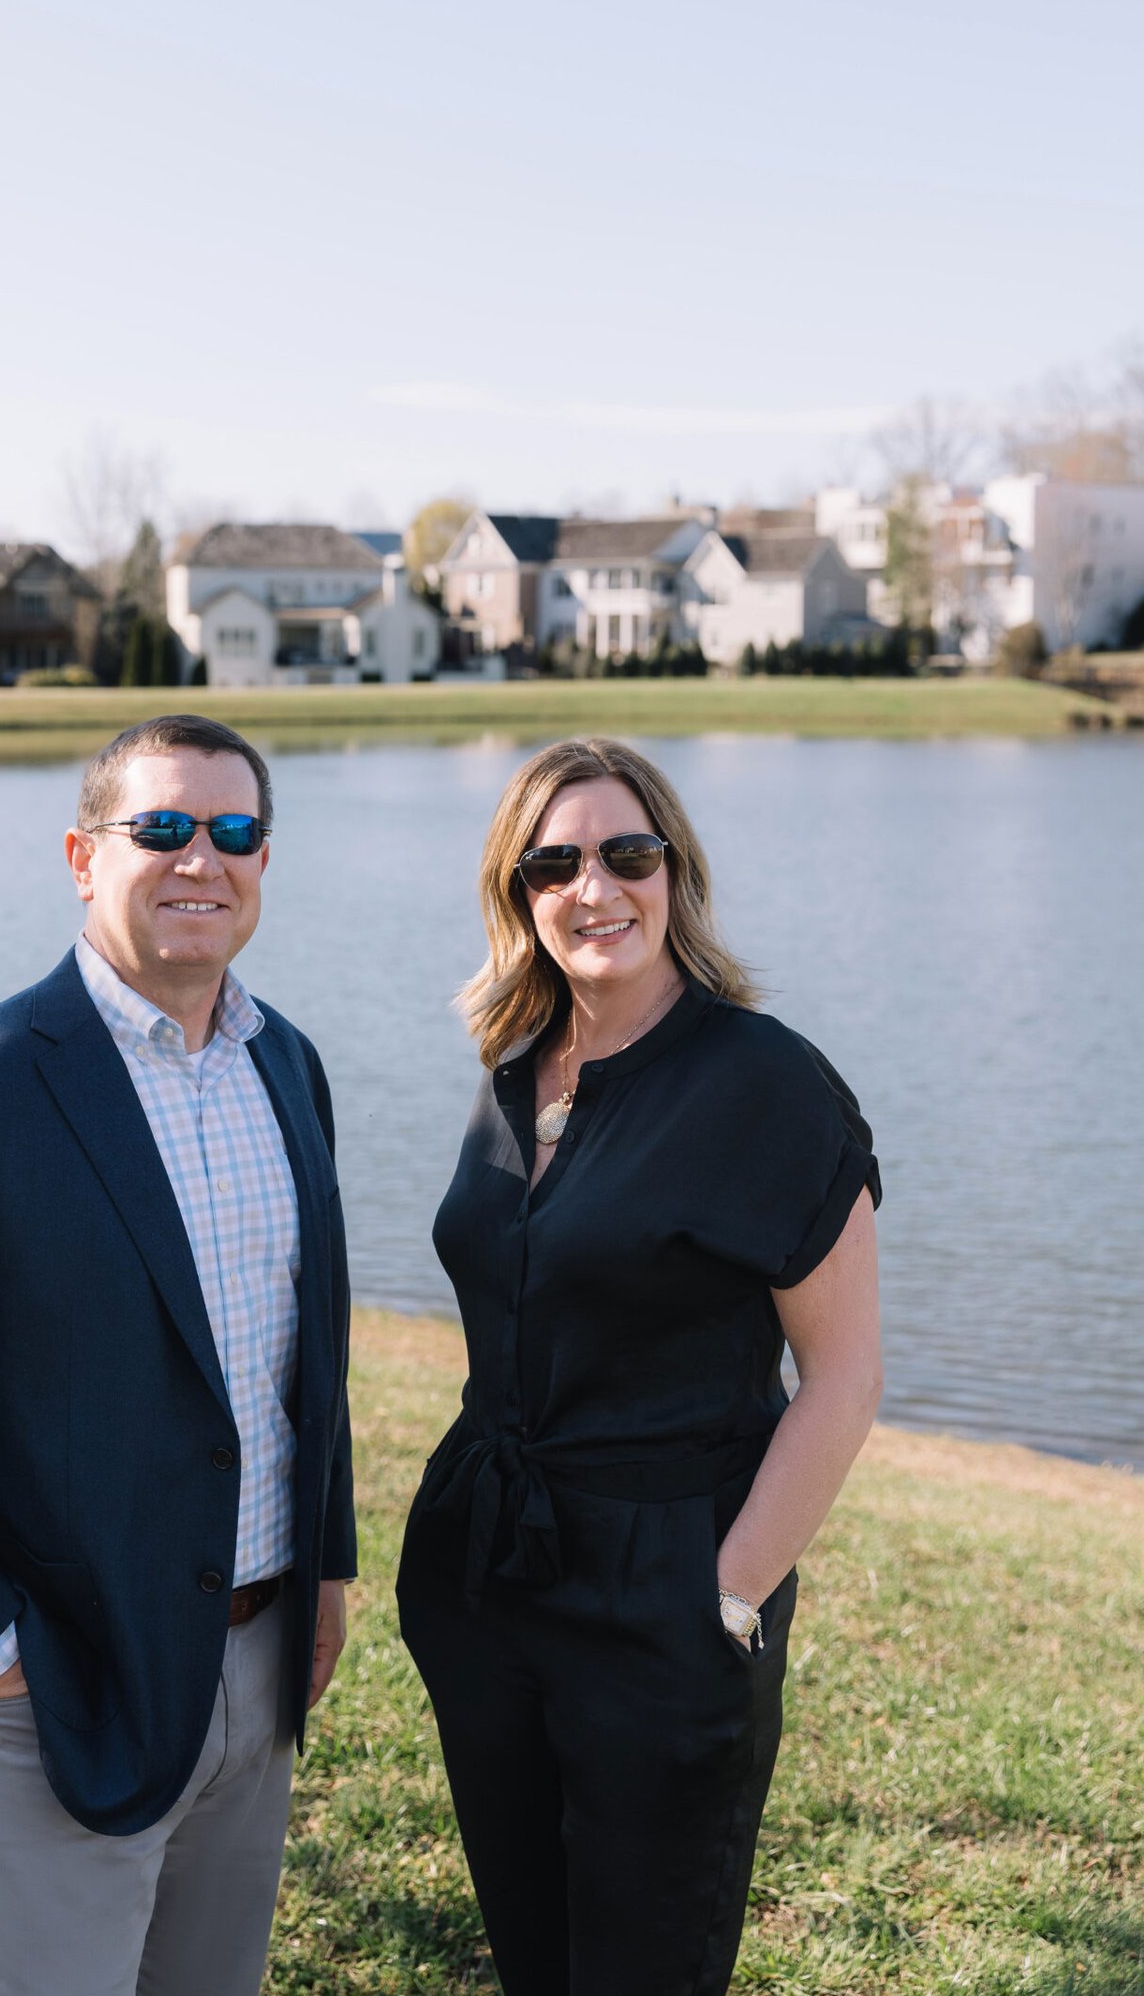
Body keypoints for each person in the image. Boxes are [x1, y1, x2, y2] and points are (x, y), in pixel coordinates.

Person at [0, 712, 354, 1996]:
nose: (197, 860)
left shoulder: (291, 1068)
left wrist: (322, 1569)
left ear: (265, 860)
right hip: (47, 1682)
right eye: (158, 828)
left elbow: (299, 1362)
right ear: (80, 854)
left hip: (255, 1665)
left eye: (233, 832)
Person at [397, 736, 882, 1996]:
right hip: (489, 1580)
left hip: (665, 1592)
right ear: (517, 892)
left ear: (675, 871)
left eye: (626, 852)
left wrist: (726, 1595)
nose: (593, 887)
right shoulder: (517, 1065)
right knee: (535, 1956)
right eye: (553, 861)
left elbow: (843, 1378)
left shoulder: (765, 1085)